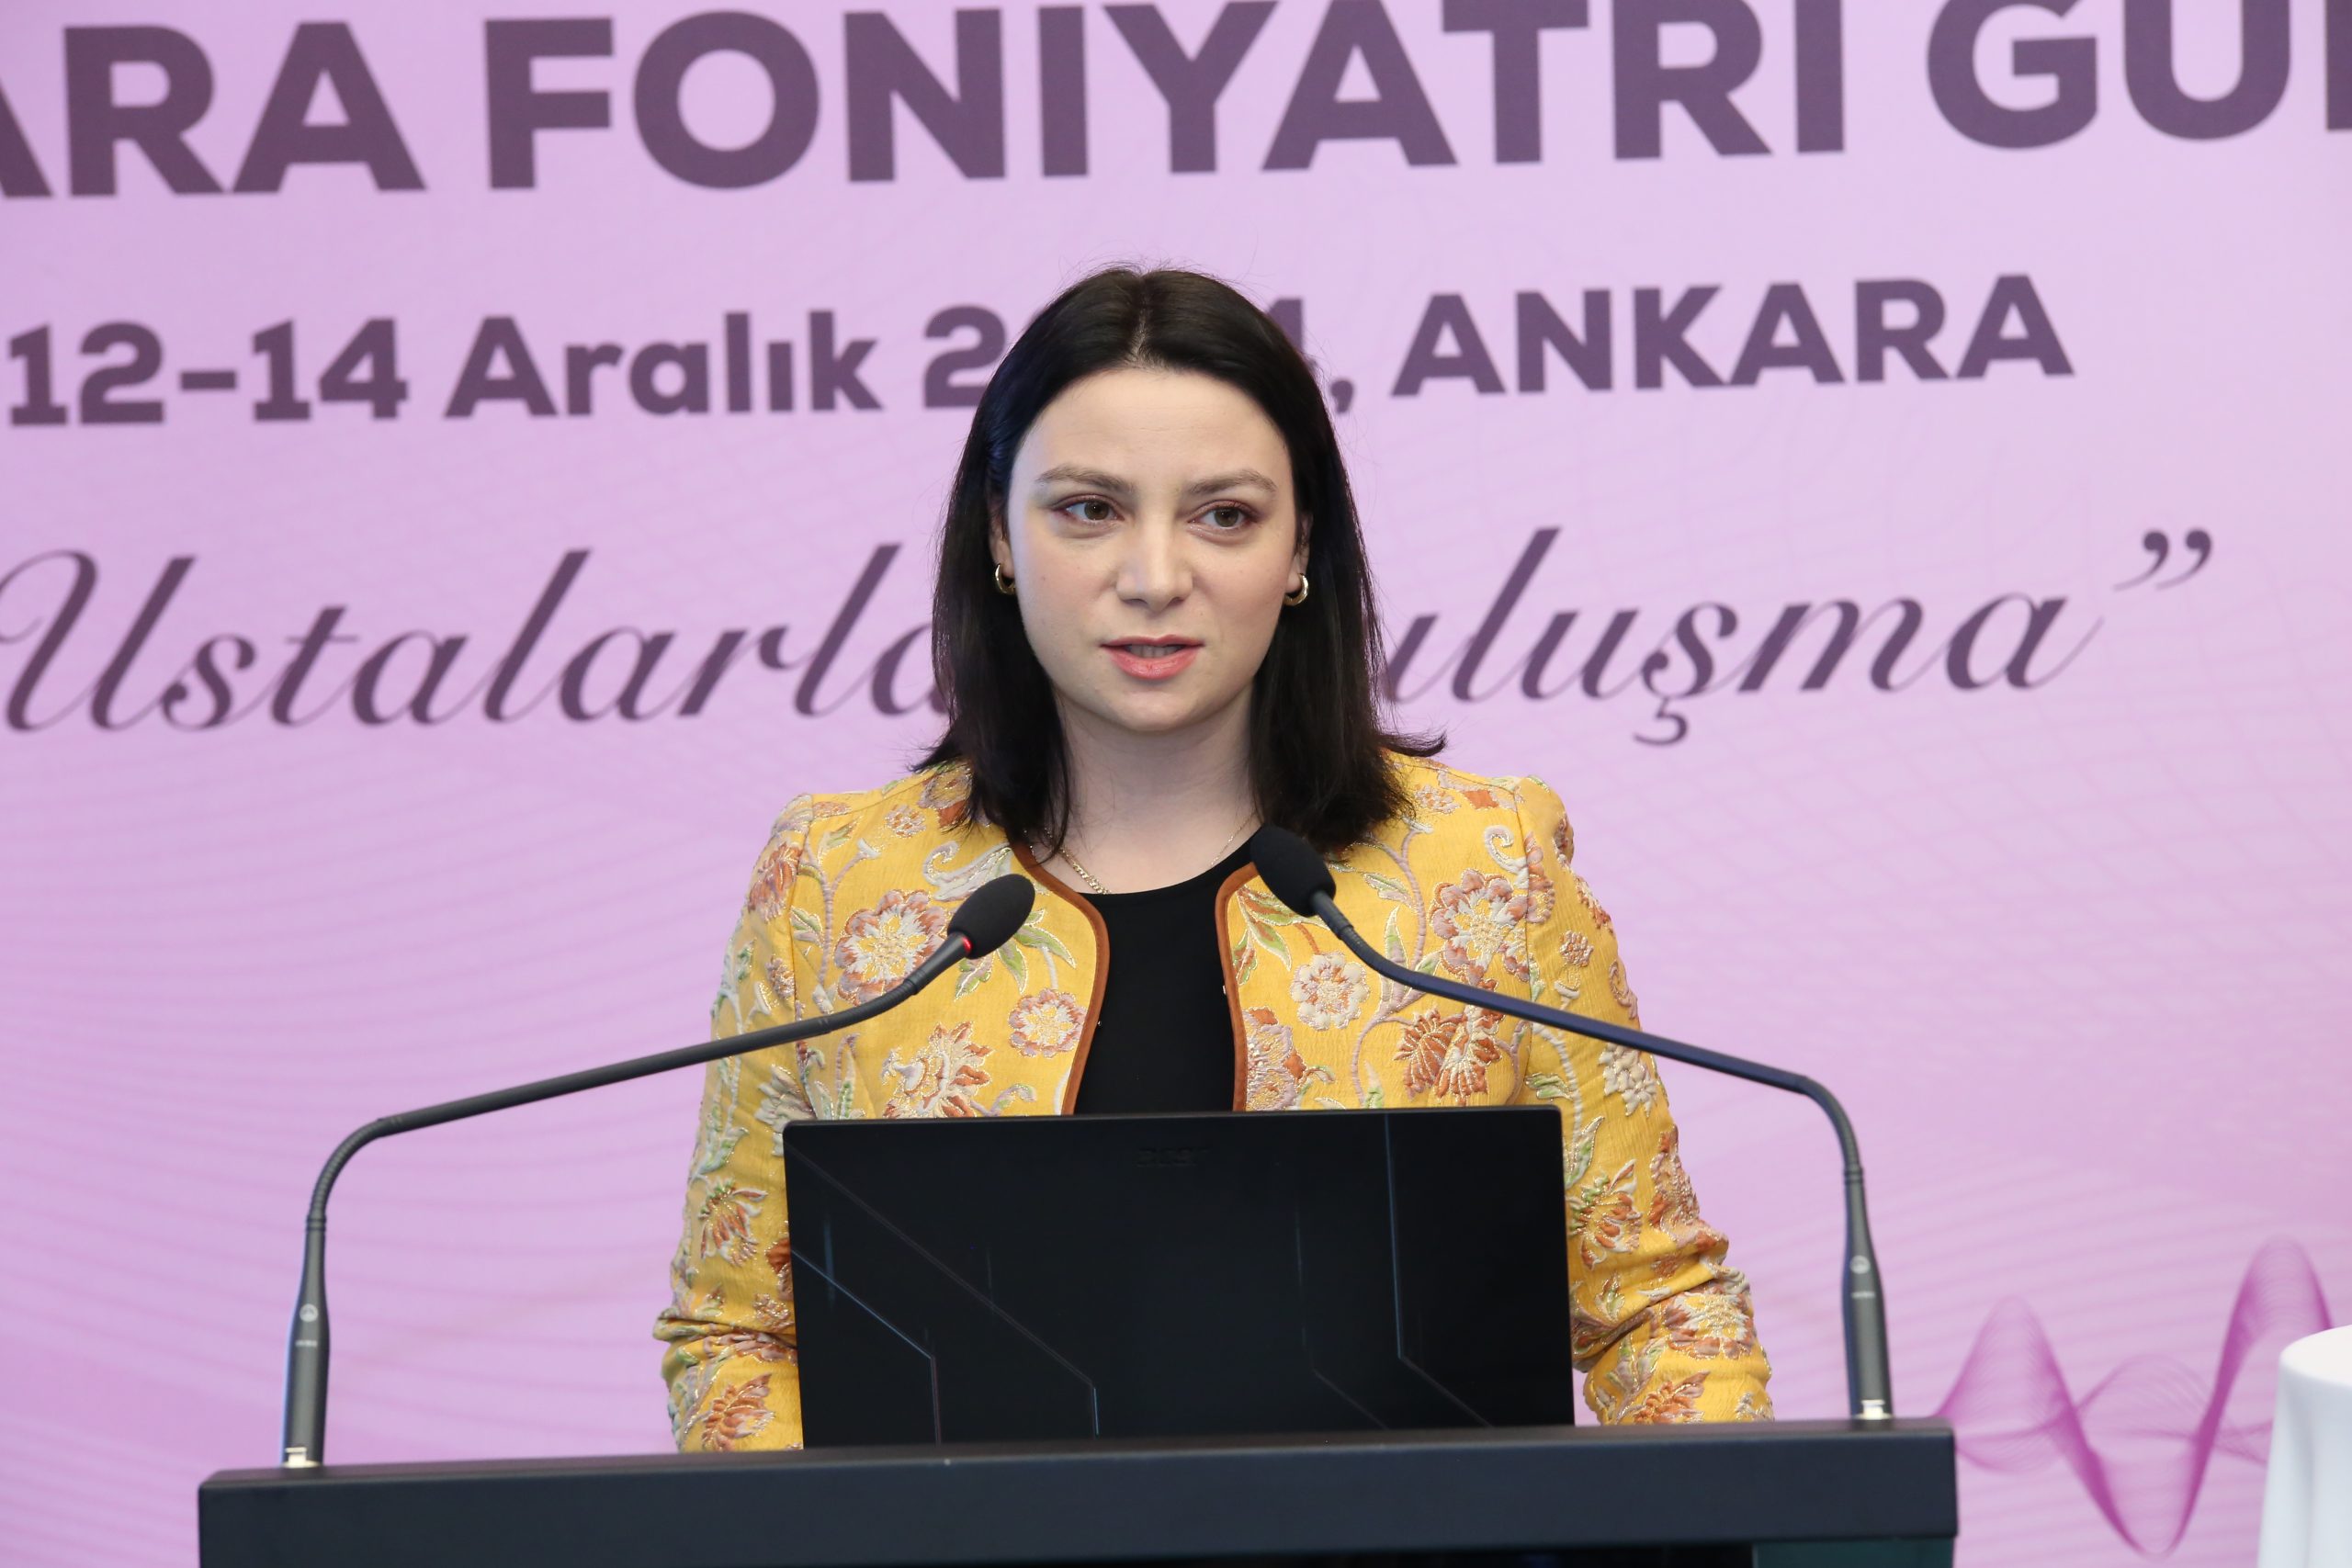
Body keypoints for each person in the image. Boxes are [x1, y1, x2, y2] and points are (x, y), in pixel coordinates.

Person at [652, 265, 1771, 1451]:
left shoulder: (1486, 867)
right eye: (1089, 509)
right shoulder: (837, 883)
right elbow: (739, 1337)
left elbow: (1659, 1312)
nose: (1154, 578)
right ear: (999, 536)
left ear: (1300, 549)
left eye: (1223, 516)